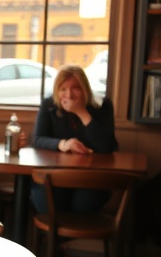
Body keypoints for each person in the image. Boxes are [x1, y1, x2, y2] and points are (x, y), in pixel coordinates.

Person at [31, 63, 118, 214]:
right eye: (63, 89)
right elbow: (37, 139)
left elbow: (107, 146)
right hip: (56, 175)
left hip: (91, 177)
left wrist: (81, 112)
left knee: (82, 206)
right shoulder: (49, 105)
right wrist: (63, 144)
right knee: (47, 203)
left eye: (75, 88)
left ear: (85, 89)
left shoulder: (102, 106)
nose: (69, 95)